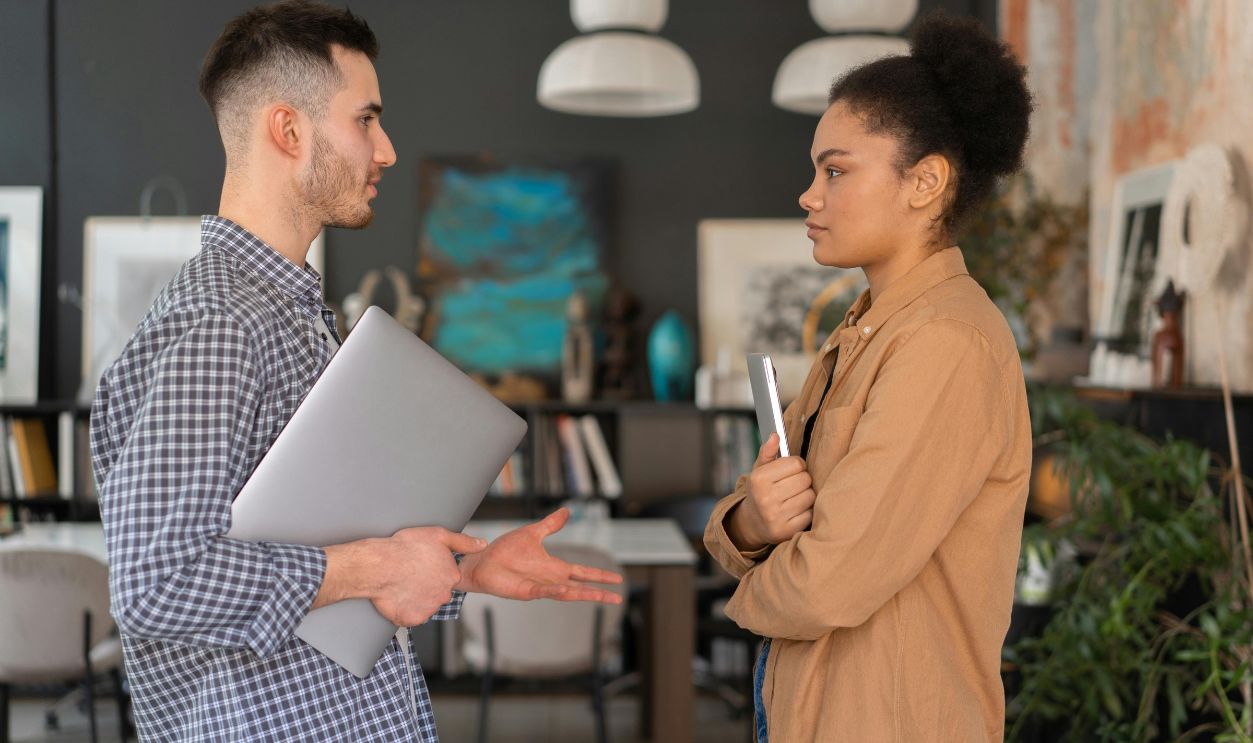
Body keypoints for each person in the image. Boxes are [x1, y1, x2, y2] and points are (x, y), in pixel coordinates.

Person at [90, 2, 621, 741]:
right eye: (365, 119)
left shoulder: (288, 313)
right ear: (288, 129)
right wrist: (375, 568)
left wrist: (460, 570)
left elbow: (305, 541)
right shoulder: (219, 323)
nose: (387, 149)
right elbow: (159, 582)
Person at [703, 13, 1034, 742]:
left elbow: (831, 579)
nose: (808, 195)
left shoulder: (944, 343)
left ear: (925, 182)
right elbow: (761, 506)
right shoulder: (865, 327)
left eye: (835, 169)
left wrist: (741, 589)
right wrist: (754, 519)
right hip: (811, 705)